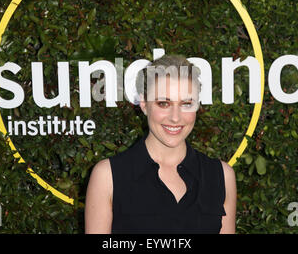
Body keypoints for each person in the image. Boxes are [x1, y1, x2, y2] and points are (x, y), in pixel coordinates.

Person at [85, 54, 236, 234]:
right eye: (163, 103)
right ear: (143, 104)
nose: (175, 117)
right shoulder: (108, 176)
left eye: (186, 104)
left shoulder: (221, 175)